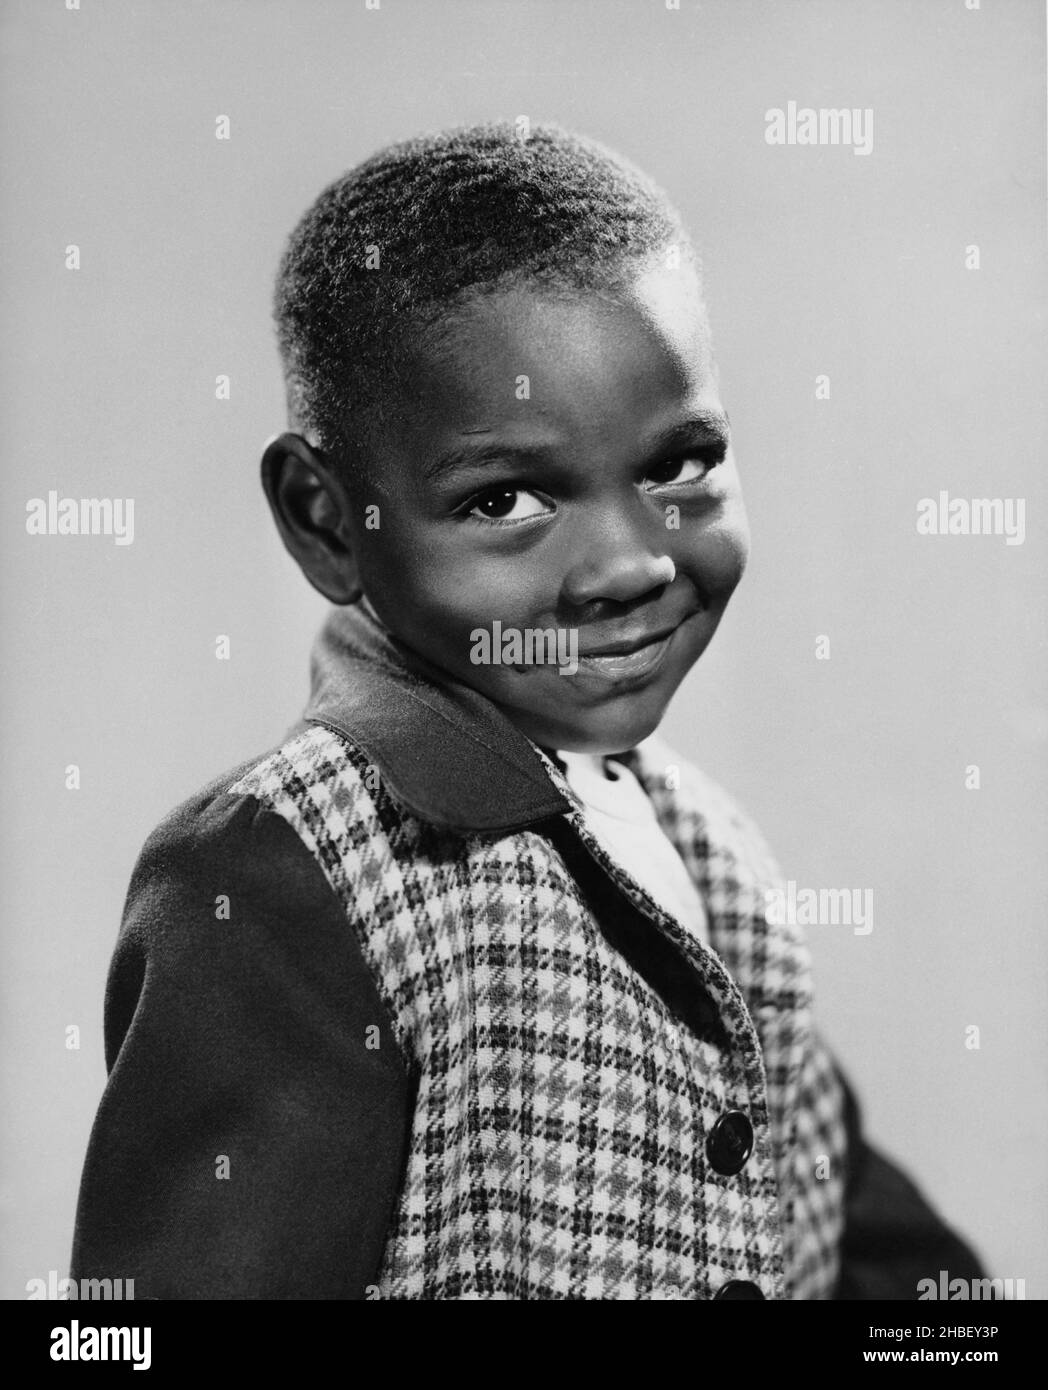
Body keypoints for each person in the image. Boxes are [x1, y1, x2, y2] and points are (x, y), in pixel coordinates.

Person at [70, 122, 982, 1299]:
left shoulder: (705, 844)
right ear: (326, 519)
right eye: (503, 497)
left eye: (677, 464)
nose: (628, 564)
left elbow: (854, 1244)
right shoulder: (287, 871)